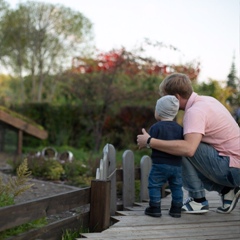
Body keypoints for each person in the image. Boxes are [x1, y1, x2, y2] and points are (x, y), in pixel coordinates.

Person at [137, 73, 240, 214]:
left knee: (178, 144)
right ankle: (226, 190)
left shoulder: (194, 112)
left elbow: (189, 150)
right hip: (233, 165)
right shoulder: (207, 100)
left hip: (233, 168)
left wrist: (150, 141)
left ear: (177, 97)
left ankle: (198, 200)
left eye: (166, 97)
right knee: (182, 144)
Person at [144, 95, 184, 218]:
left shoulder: (155, 127)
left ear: (159, 111)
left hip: (159, 164)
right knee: (176, 186)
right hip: (176, 165)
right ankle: (176, 208)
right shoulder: (180, 129)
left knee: (154, 184)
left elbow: (149, 144)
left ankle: (155, 207)